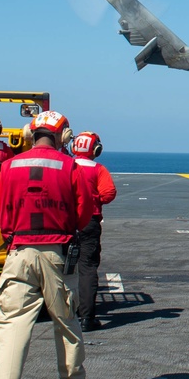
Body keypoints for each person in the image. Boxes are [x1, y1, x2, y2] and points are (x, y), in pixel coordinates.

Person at [0, 110, 94, 379]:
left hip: (19, 251)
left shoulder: (9, 166)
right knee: (66, 321)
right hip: (57, 254)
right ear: (63, 136)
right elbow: (84, 212)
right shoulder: (70, 166)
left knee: (12, 326)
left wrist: (14, 232)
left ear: (30, 134)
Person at [72, 131, 117, 332]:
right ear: (96, 150)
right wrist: (92, 199)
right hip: (88, 221)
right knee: (87, 268)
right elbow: (108, 194)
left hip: (62, 222)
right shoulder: (98, 169)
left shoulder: (65, 164)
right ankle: (87, 319)